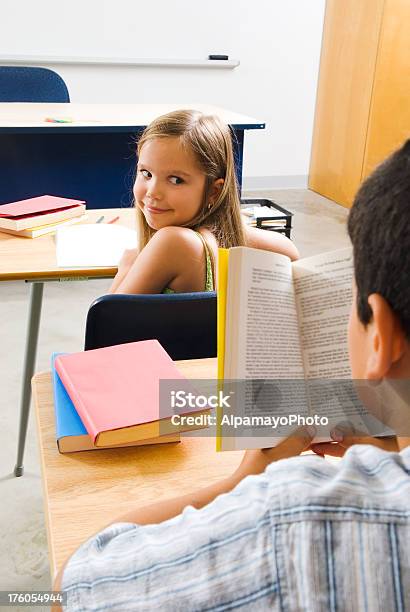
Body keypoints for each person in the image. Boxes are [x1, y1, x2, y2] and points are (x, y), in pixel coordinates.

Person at [53, 141, 410, 611]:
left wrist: (248, 475)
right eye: (145, 173)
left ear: (380, 337)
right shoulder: (248, 240)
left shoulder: (295, 521)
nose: (153, 190)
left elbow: (72, 588)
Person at [108, 110, 298, 294]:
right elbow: (288, 252)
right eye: (146, 173)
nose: (152, 192)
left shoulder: (172, 242)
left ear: (213, 191)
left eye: (176, 180)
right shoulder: (238, 240)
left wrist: (126, 268)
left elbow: (107, 323)